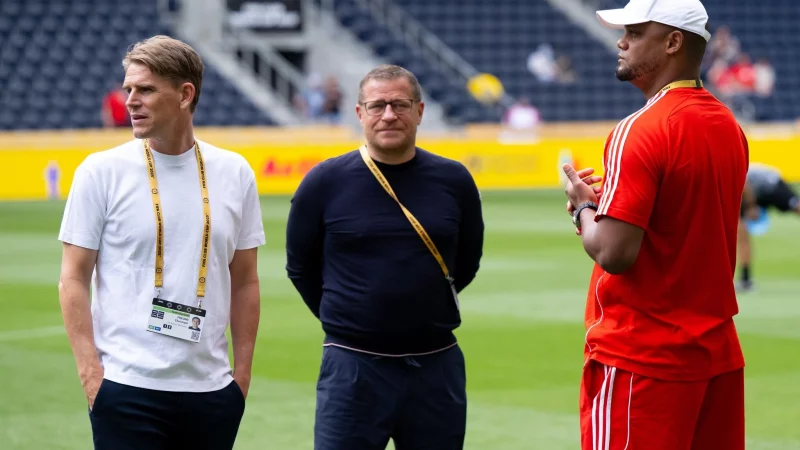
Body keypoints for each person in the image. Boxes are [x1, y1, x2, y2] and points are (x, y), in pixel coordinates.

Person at [57, 35, 265, 450]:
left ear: (185, 94)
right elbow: (72, 278)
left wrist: (240, 378)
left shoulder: (234, 172)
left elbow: (245, 281)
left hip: (212, 391)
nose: (130, 100)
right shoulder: (100, 171)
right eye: (128, 88)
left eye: (146, 90)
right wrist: (91, 377)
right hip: (126, 389)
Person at [561, 1, 749, 449]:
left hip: (641, 357)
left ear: (672, 43)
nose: (621, 42)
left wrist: (581, 208)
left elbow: (614, 252)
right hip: (715, 353)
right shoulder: (728, 126)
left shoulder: (640, 128)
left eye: (635, 31)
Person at [285, 64, 484, 450]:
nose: (389, 115)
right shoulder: (325, 181)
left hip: (435, 365)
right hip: (352, 367)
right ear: (359, 113)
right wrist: (350, 317)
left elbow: (467, 262)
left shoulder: (454, 180)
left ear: (420, 111)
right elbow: (301, 267)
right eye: (377, 106)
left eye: (400, 104)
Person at [737, 163, 800, 291]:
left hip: (769, 185)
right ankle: (745, 279)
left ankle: (745, 280)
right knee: (741, 231)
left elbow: (745, 183)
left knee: (797, 207)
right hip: (747, 194)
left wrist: (751, 206)